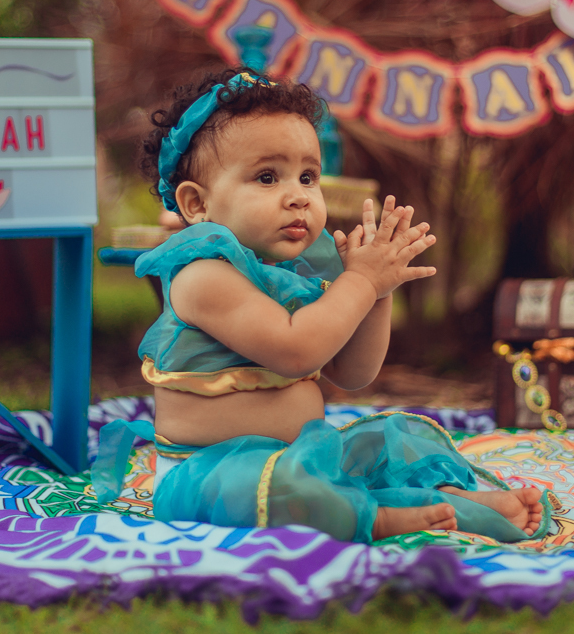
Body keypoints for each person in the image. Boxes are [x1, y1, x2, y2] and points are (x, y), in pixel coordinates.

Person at [92, 68, 548, 543]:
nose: (298, 197)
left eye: (308, 176)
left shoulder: (297, 275)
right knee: (289, 489)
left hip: (309, 455)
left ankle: (456, 498)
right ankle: (377, 518)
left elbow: (352, 373)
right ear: (196, 204)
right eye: (267, 177)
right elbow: (296, 352)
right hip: (210, 476)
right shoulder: (202, 276)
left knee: (392, 442)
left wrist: (377, 295)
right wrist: (359, 283)